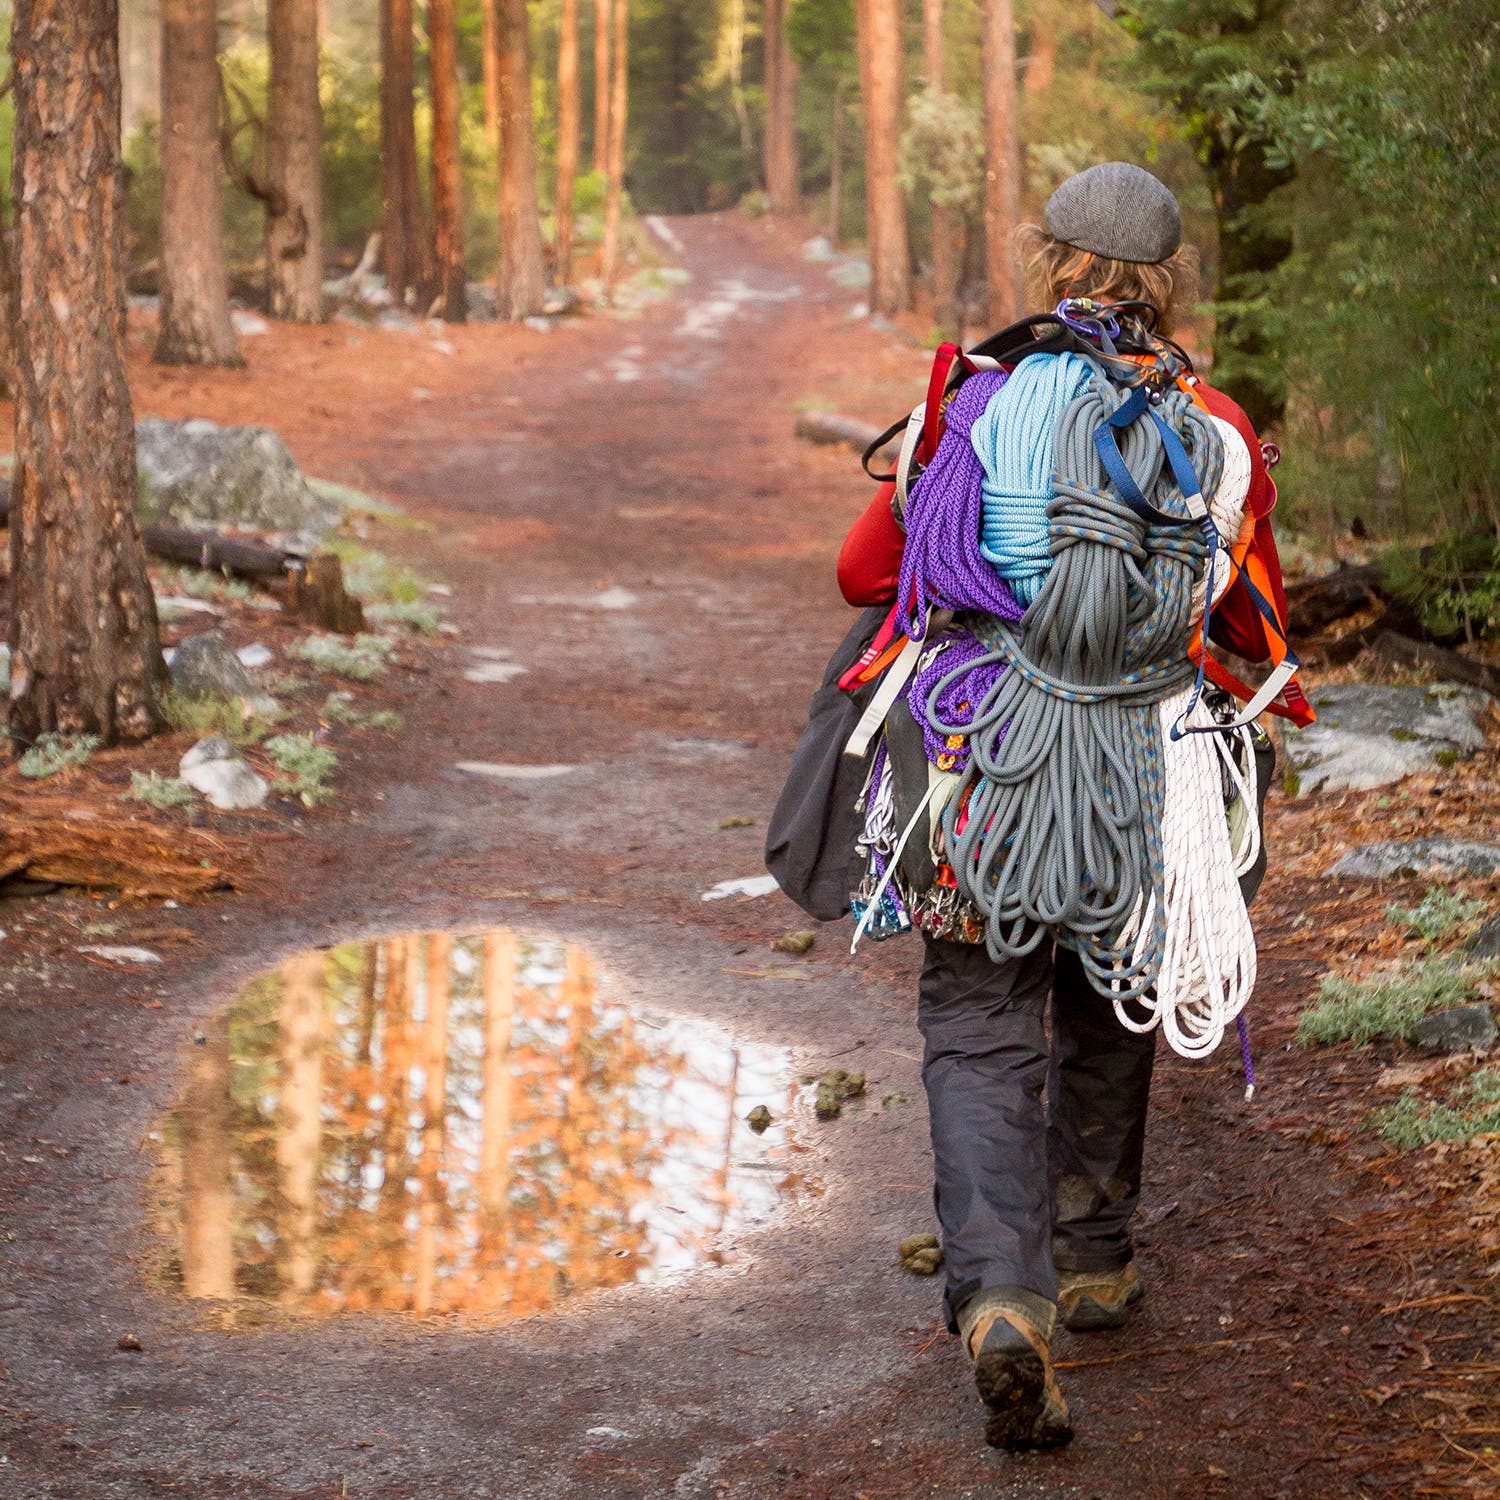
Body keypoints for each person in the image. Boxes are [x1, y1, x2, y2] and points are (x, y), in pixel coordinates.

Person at [835, 163, 1292, 1451]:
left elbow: (863, 570)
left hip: (982, 753)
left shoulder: (979, 406)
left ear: (1049, 265)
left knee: (980, 1015)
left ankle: (1003, 1301)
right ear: (1172, 281)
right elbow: (1246, 608)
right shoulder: (1218, 426)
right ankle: (1095, 1259)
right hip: (1151, 760)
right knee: (1111, 983)